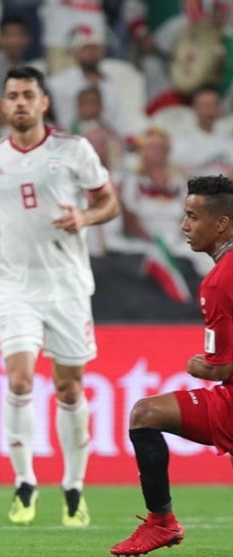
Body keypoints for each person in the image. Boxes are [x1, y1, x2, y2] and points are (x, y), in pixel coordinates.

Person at [0, 66, 120, 527]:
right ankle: (24, 483)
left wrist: (86, 218)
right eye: (12, 95)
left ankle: (74, 488)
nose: (19, 102)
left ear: (43, 103)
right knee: (19, 381)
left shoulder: (74, 149)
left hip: (67, 287)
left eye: (27, 95)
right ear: (4, 104)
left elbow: (109, 202)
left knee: (68, 387)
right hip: (15, 285)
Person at [109, 174, 233, 556]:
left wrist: (200, 366)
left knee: (144, 413)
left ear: (221, 223)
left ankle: (161, 522)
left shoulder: (219, 282)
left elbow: (222, 368)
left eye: (193, 216)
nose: (183, 226)